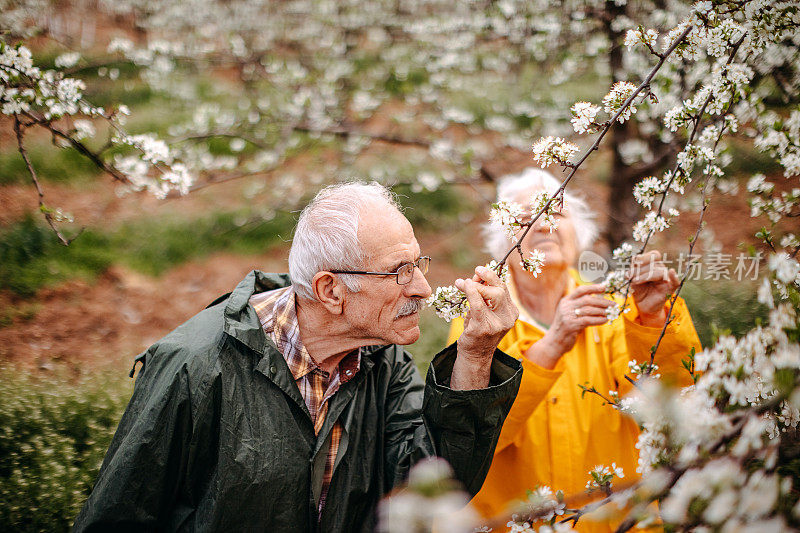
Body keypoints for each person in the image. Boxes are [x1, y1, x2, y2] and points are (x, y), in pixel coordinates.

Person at [74, 182, 531, 532]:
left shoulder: (382, 363)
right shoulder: (195, 364)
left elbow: (435, 484)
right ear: (330, 290)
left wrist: (475, 355)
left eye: (418, 263)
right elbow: (119, 516)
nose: (422, 289)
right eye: (399, 272)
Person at [448, 168, 701, 532]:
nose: (542, 223)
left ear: (579, 234)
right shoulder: (479, 322)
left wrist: (652, 320)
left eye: (557, 211)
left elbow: (673, 406)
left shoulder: (616, 310)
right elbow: (470, 436)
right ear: (503, 244)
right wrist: (552, 345)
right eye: (524, 218)